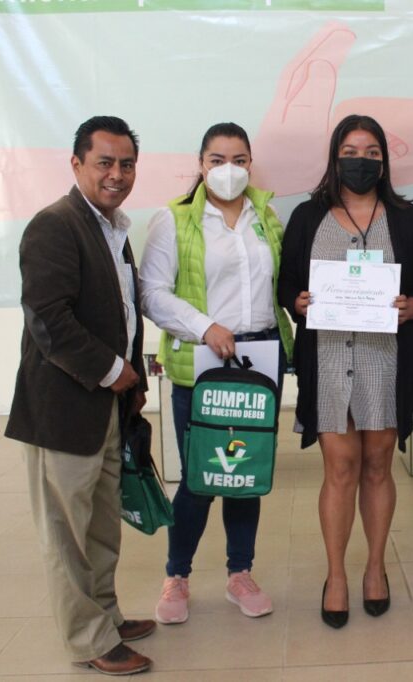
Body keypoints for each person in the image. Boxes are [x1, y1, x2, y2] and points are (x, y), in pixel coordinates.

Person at [278, 114, 413, 628]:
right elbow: (285, 283)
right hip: (328, 359)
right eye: (351, 151)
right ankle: (336, 575)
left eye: (372, 152)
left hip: (385, 359)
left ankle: (375, 567)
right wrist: (297, 301)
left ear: (384, 162)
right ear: (335, 157)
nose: (361, 161)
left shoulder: (406, 218)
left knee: (377, 464)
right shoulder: (308, 216)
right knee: (340, 468)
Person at [5, 116, 155, 676]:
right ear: (76, 164)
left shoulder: (113, 230)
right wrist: (115, 371)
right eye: (104, 163)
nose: (117, 174)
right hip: (63, 410)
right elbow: (49, 319)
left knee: (100, 526)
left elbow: (121, 314)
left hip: (107, 406)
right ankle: (87, 639)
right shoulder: (54, 225)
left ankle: (107, 616)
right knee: (65, 534)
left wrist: (132, 379)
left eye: (127, 164)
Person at [140, 122, 293, 624]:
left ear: (251, 164)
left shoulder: (265, 216)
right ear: (201, 164)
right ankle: (177, 575)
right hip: (203, 361)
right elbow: (152, 293)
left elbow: (283, 282)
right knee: (200, 476)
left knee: (246, 471)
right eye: (218, 160)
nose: (230, 170)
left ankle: (239, 573)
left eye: (239, 160)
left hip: (260, 358)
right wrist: (205, 327)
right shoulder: (175, 219)